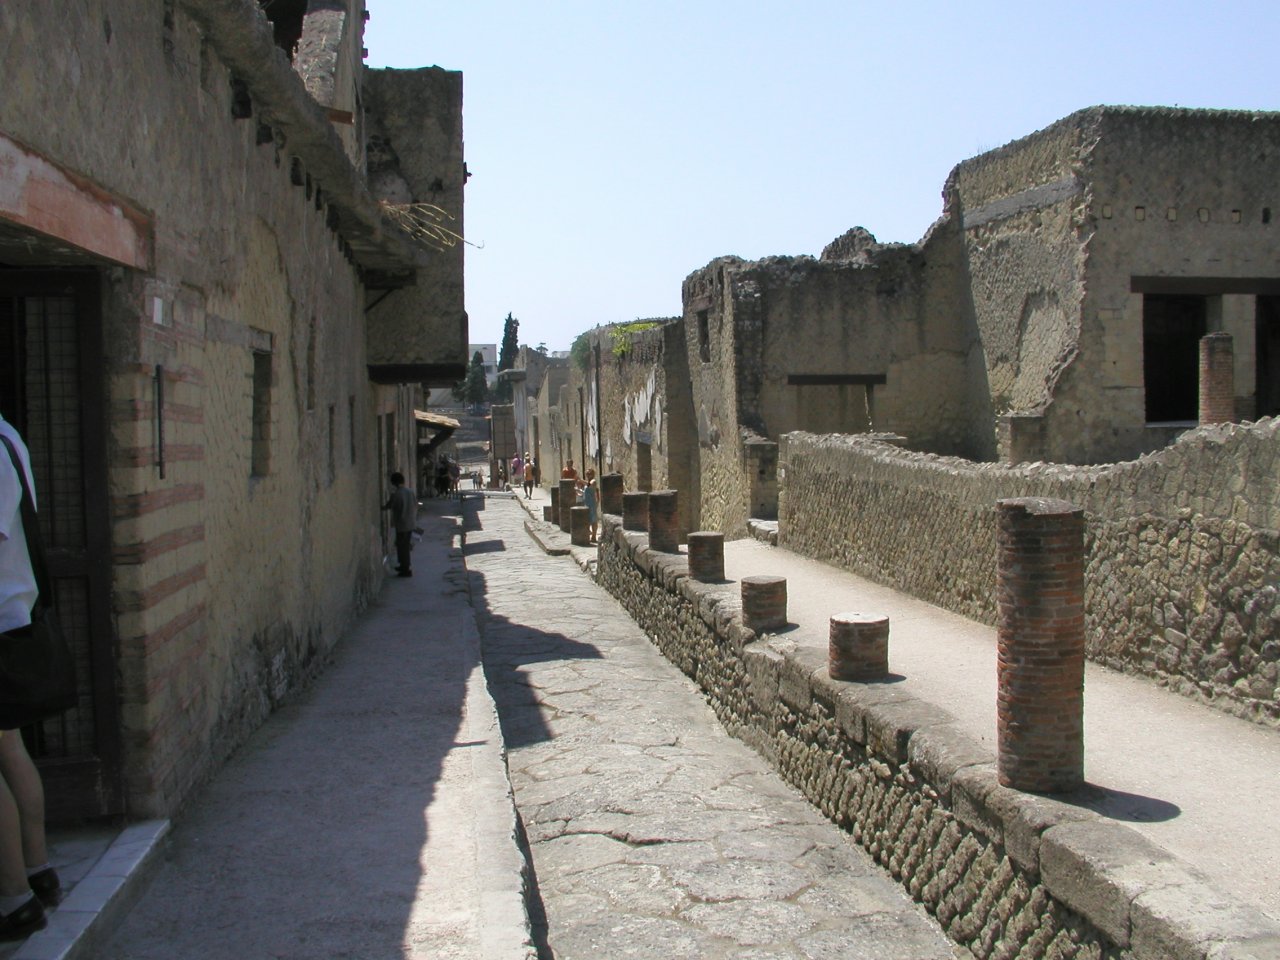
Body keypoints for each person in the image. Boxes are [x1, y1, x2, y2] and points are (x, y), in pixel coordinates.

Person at [0, 414, 59, 939]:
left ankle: (14, 898)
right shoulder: (9, 435)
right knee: (8, 747)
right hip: (10, 618)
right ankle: (37, 873)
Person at [382, 471, 417, 578]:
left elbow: (390, 506)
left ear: (394, 483)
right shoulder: (410, 492)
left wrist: (381, 507)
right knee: (404, 546)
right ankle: (403, 566)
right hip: (410, 523)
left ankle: (406, 569)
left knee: (402, 548)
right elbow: (415, 504)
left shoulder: (396, 494)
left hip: (402, 524)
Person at [580, 467, 600, 542]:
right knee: (587, 519)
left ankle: (594, 536)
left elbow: (589, 485)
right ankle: (589, 534)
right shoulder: (587, 482)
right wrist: (578, 491)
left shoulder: (593, 481)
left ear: (592, 474)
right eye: (587, 474)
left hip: (591, 503)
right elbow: (585, 491)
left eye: (589, 474)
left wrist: (581, 480)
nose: (587, 475)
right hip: (586, 503)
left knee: (593, 520)